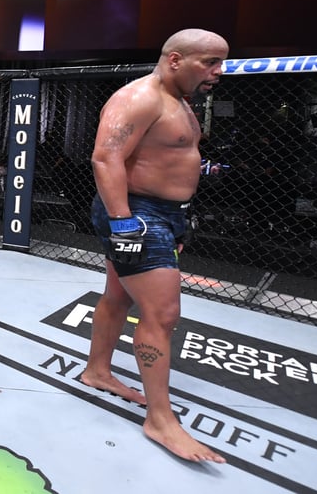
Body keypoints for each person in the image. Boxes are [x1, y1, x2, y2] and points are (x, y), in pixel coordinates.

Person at [82, 28, 229, 464]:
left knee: (117, 296)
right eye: (210, 62)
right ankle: (161, 420)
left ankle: (97, 371)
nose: (218, 73)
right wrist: (124, 224)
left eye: (221, 62)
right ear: (176, 59)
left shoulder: (180, 99)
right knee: (161, 314)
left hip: (163, 214)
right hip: (137, 214)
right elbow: (105, 157)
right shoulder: (139, 98)